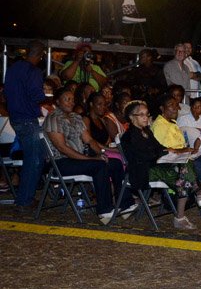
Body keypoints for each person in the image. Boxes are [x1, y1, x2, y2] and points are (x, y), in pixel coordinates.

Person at [43, 88, 137, 224]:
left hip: (79, 159)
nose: (71, 102)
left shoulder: (75, 117)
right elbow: (62, 148)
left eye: (72, 100)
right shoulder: (53, 118)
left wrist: (100, 153)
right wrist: (91, 159)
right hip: (61, 162)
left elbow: (89, 140)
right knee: (98, 165)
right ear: (57, 101)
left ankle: (125, 205)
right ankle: (104, 210)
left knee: (115, 163)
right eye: (67, 99)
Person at [120, 100, 201, 230]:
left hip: (155, 166)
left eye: (147, 114)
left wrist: (171, 152)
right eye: (141, 115)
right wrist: (164, 155)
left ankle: (183, 212)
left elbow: (158, 148)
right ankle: (192, 200)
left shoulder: (146, 131)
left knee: (186, 163)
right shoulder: (130, 136)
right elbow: (143, 156)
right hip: (143, 172)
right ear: (131, 117)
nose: (146, 117)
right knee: (183, 174)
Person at [3, 40, 47, 211]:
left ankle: (24, 197)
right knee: (34, 160)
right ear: (41, 55)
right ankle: (25, 200)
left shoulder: (13, 69)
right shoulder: (33, 71)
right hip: (28, 119)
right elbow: (37, 95)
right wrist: (43, 94)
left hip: (15, 117)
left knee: (32, 157)